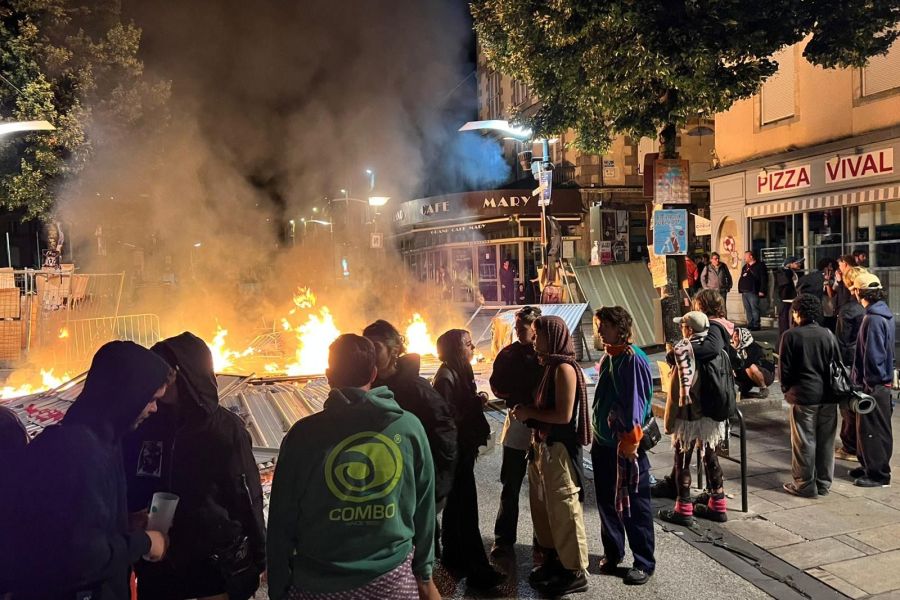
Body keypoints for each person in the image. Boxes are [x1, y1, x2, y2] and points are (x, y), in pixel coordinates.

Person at [267, 334, 438, 600]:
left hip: (318, 586)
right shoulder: (408, 427)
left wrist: (278, 587)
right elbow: (425, 508)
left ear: (328, 375)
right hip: (392, 582)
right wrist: (424, 575)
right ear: (373, 373)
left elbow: (281, 519)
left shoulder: (303, 435)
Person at [0, 341, 171, 599]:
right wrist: (145, 542)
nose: (154, 409)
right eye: (151, 399)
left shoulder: (106, 441)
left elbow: (81, 523)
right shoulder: (75, 453)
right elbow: (81, 558)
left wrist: (123, 524)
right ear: (127, 395)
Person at [122, 332, 266, 600]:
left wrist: (259, 556)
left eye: (166, 373)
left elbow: (246, 495)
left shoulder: (224, 429)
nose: (159, 383)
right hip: (157, 567)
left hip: (210, 568)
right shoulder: (144, 423)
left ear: (185, 373)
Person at [511, 316, 591, 595]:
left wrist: (530, 413)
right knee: (546, 510)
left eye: (538, 334)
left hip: (559, 448)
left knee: (564, 509)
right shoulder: (549, 365)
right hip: (543, 446)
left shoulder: (564, 369)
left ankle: (575, 571)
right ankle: (556, 561)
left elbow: (564, 415)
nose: (534, 339)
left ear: (552, 336)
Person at [362, 320, 457, 555]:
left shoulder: (416, 389)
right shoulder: (364, 387)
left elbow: (445, 436)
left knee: (421, 548)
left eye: (376, 347)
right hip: (380, 486)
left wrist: (436, 486)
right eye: (366, 347)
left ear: (394, 350)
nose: (370, 354)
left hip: (414, 485)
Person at [433, 329, 504, 589]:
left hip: (462, 450)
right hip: (455, 453)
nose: (473, 347)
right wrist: (474, 405)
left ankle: (453, 556)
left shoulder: (459, 371)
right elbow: (448, 417)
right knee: (466, 509)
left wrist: (476, 400)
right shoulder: (446, 376)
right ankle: (479, 572)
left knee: (456, 507)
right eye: (467, 344)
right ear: (454, 349)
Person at [590, 307, 655, 586]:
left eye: (604, 325)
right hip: (603, 443)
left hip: (626, 446)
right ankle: (613, 552)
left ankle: (644, 562)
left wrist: (630, 443)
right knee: (607, 501)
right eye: (599, 325)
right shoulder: (610, 357)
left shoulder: (632, 359)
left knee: (635, 504)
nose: (600, 330)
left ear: (620, 328)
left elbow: (636, 404)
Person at [659, 311, 730, 525]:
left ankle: (684, 509)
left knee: (683, 460)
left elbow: (674, 393)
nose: (682, 329)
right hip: (712, 417)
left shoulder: (684, 353)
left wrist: (669, 422)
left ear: (689, 329)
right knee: (710, 456)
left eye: (683, 326)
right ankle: (718, 504)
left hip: (689, 416)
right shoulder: (720, 352)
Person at [489, 306, 543, 557]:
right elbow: (496, 385)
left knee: (542, 487)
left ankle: (543, 540)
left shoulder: (547, 354)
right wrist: (515, 397)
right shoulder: (508, 354)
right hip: (517, 422)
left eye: (524, 326)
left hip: (543, 424)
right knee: (510, 484)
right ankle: (503, 538)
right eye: (518, 326)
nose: (519, 330)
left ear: (536, 327)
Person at [778, 294, 841, 498]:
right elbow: (837, 365)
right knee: (826, 442)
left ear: (797, 312)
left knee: (804, 441)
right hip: (829, 396)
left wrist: (787, 391)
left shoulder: (791, 336)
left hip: (804, 396)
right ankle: (823, 483)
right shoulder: (828, 334)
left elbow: (785, 371)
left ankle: (805, 484)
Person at [849, 273, 895, 488]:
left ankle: (878, 474)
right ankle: (870, 466)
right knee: (870, 429)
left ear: (859, 292)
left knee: (873, 430)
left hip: (874, 385)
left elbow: (873, 356)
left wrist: (867, 384)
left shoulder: (873, 318)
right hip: (879, 383)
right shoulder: (883, 314)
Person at [834, 267, 866, 462]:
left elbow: (842, 340)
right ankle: (858, 444)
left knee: (847, 405)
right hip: (864, 361)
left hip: (850, 361)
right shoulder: (868, 307)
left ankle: (850, 446)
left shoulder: (849, 309)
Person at [732, 327, 776, 399]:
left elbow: (748, 363)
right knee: (732, 369)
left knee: (750, 367)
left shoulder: (754, 347)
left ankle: (763, 388)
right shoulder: (740, 349)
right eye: (734, 336)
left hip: (767, 375)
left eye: (737, 336)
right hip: (753, 374)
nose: (734, 339)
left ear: (743, 337)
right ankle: (744, 390)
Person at [776, 256, 804, 344]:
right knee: (785, 322)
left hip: (790, 300)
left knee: (790, 322)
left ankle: (788, 341)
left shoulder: (791, 272)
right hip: (786, 301)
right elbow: (784, 286)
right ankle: (785, 342)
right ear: (790, 264)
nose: (799, 264)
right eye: (797, 263)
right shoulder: (785, 272)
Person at [738, 250, 768, 330]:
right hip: (744, 291)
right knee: (748, 308)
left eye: (746, 256)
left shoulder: (760, 265)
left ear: (751, 256)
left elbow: (764, 279)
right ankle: (750, 324)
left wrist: (762, 290)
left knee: (754, 308)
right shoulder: (745, 266)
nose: (744, 258)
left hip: (753, 290)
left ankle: (756, 325)